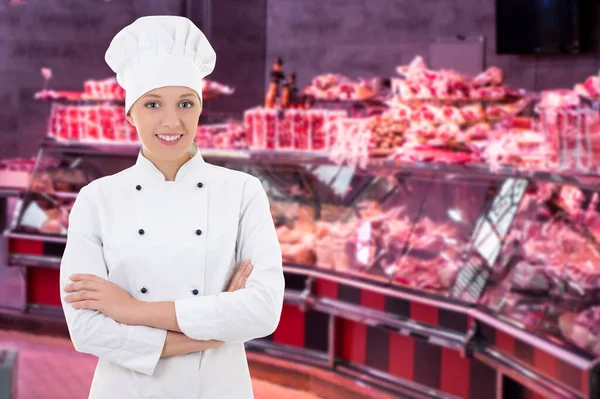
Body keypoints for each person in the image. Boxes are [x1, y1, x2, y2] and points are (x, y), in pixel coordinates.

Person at [58, 15, 284, 399]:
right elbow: (87, 330)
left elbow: (263, 311)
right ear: (130, 113)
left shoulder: (243, 191)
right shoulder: (97, 199)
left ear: (199, 109)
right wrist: (213, 334)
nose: (171, 120)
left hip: (216, 389)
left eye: (185, 103)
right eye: (152, 104)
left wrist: (131, 311)